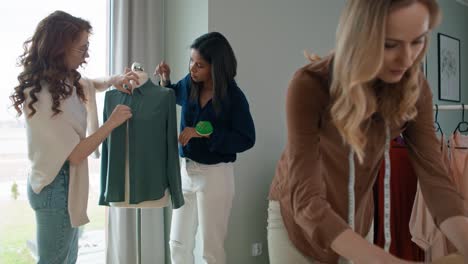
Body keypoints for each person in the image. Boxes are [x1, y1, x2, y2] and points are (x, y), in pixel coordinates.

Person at [267, 1, 468, 264]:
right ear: (359, 39)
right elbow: (306, 200)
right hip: (297, 220)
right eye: (390, 44)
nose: (407, 59)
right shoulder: (309, 86)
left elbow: (436, 181)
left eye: (417, 41)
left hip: (358, 219)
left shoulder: (415, 91)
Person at [10, 10, 139, 263]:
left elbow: (89, 83)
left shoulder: (62, 81)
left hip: (63, 184)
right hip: (54, 186)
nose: (85, 56)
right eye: (81, 49)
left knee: (67, 259)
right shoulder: (43, 96)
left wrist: (114, 80)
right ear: (60, 48)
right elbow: (77, 153)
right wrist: (111, 123)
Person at [154, 31, 255, 264]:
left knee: (211, 250)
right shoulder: (191, 84)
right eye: (191, 61)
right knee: (177, 244)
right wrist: (165, 80)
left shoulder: (234, 98)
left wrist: (202, 133)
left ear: (216, 67)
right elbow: (172, 96)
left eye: (199, 65)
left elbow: (247, 138)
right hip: (185, 172)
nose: (192, 68)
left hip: (215, 176)